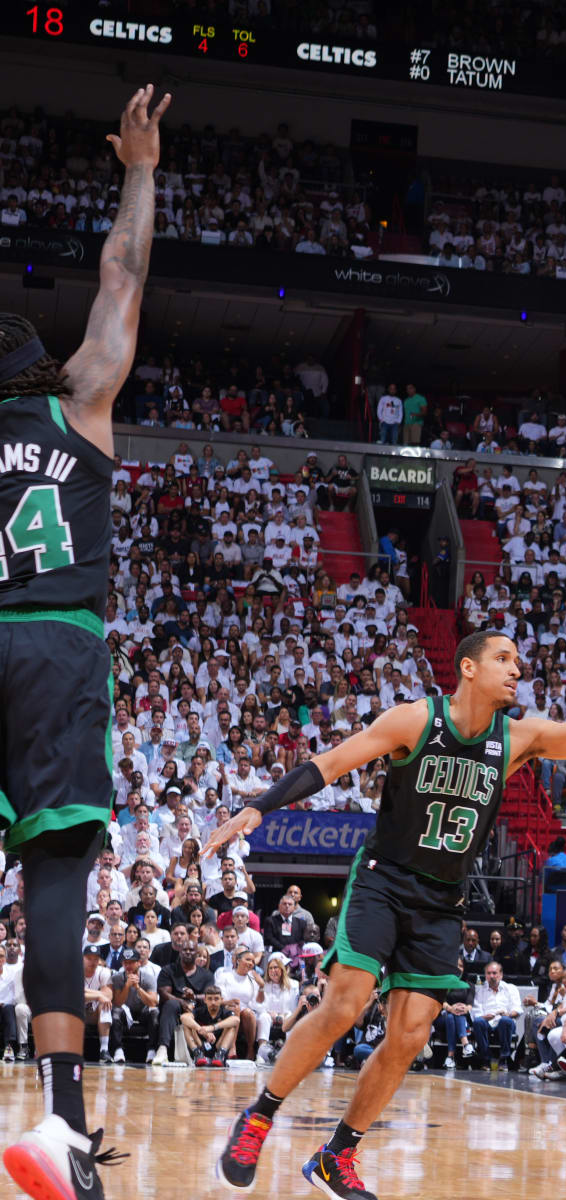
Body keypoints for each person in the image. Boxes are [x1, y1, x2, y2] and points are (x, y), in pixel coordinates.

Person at [205, 614, 566, 1198]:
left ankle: (337, 1155)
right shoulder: (417, 720)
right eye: (504, 659)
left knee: (412, 1034)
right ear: (468, 667)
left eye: (519, 662)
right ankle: (259, 1116)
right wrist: (260, 807)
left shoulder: (518, 738)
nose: (517, 669)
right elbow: (330, 763)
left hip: (442, 899)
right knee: (345, 1003)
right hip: (384, 881)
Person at [1, 84, 172, 1200]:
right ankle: (61, 1133)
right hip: (58, 647)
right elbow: (123, 274)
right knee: (56, 884)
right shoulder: (83, 403)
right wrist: (141, 170)